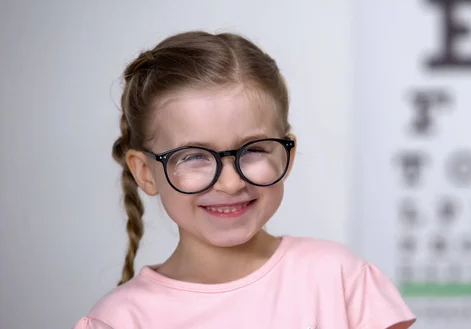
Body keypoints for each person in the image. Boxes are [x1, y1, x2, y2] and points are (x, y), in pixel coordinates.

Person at [73, 30, 416, 329]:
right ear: (146, 172)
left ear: (287, 155)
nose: (231, 183)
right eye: (193, 156)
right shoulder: (120, 320)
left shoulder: (339, 279)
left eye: (252, 150)